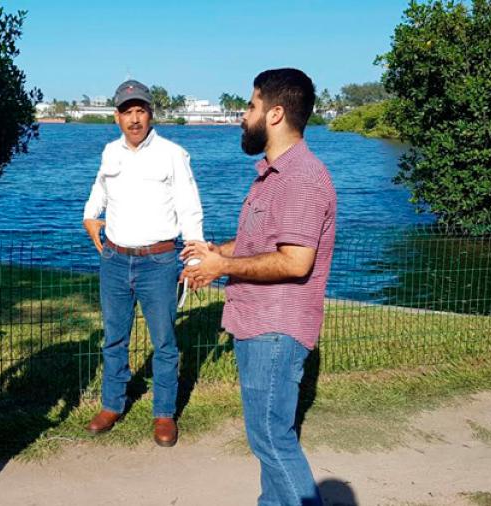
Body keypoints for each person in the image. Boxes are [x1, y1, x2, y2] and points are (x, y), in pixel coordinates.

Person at [181, 68, 334, 505]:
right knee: (270, 441)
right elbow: (259, 243)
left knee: (271, 439)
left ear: (276, 113)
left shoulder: (302, 177)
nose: (243, 116)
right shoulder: (273, 173)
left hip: (276, 328)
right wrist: (214, 253)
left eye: (250, 106)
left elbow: (295, 260)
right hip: (258, 323)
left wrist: (222, 265)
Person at [82, 79, 204, 447]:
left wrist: (195, 258)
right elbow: (98, 193)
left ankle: (164, 414)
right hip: (115, 260)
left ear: (151, 114)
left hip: (160, 261)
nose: (134, 119)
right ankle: (111, 404)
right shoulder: (109, 153)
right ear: (117, 117)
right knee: (113, 338)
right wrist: (90, 218)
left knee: (164, 341)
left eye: (141, 111)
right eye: (127, 112)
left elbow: (189, 207)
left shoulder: (172, 154)